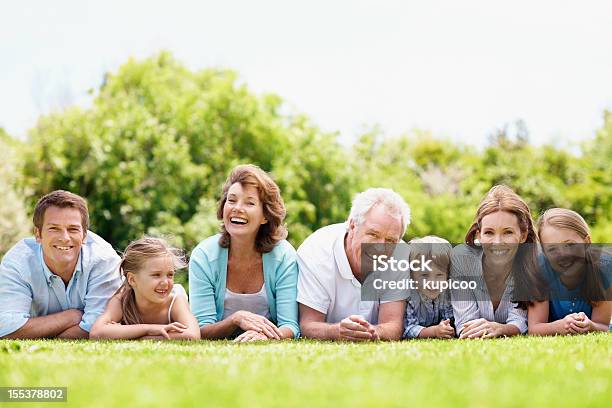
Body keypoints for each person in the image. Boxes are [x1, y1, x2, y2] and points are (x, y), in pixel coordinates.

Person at [189, 164, 299, 342]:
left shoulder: (283, 256)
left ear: (265, 216)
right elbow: (201, 329)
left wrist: (263, 335)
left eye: (249, 203)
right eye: (231, 200)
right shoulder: (204, 256)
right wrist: (236, 319)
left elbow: (290, 325)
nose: (237, 208)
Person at [0, 190, 121, 339]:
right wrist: (71, 317)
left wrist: (39, 331)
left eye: (73, 229)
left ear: (84, 235)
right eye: (54, 229)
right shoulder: (18, 263)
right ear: (38, 234)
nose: (64, 238)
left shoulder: (104, 260)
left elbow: (97, 327)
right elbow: (6, 327)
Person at [297, 188, 410, 341]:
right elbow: (307, 325)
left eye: (390, 241)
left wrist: (373, 332)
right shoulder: (316, 252)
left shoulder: (400, 255)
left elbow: (393, 325)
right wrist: (338, 331)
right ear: (352, 226)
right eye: (373, 234)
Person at [451, 185, 535, 339]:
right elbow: (465, 324)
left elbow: (519, 321)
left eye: (508, 232)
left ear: (523, 236)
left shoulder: (530, 263)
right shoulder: (462, 258)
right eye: (489, 232)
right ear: (479, 235)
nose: (497, 242)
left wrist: (502, 329)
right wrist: (483, 329)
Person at [90, 237, 200, 340]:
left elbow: (193, 335)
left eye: (170, 275)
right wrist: (150, 329)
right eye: (156, 275)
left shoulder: (175, 301)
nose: (165, 282)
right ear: (132, 279)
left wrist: (140, 337)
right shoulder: (121, 301)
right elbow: (96, 332)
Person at [527, 208, 611, 335]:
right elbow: (534, 328)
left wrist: (591, 326)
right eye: (552, 249)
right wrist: (559, 326)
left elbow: (603, 325)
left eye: (570, 245)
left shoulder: (603, 270)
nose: (563, 255)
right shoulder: (539, 270)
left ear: (587, 242)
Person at [403, 236, 455, 339]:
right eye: (424, 275)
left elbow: (451, 320)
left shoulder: (448, 292)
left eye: (439, 275)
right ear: (412, 275)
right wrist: (434, 331)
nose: (432, 282)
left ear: (448, 274)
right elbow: (408, 329)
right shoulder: (409, 296)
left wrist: (447, 328)